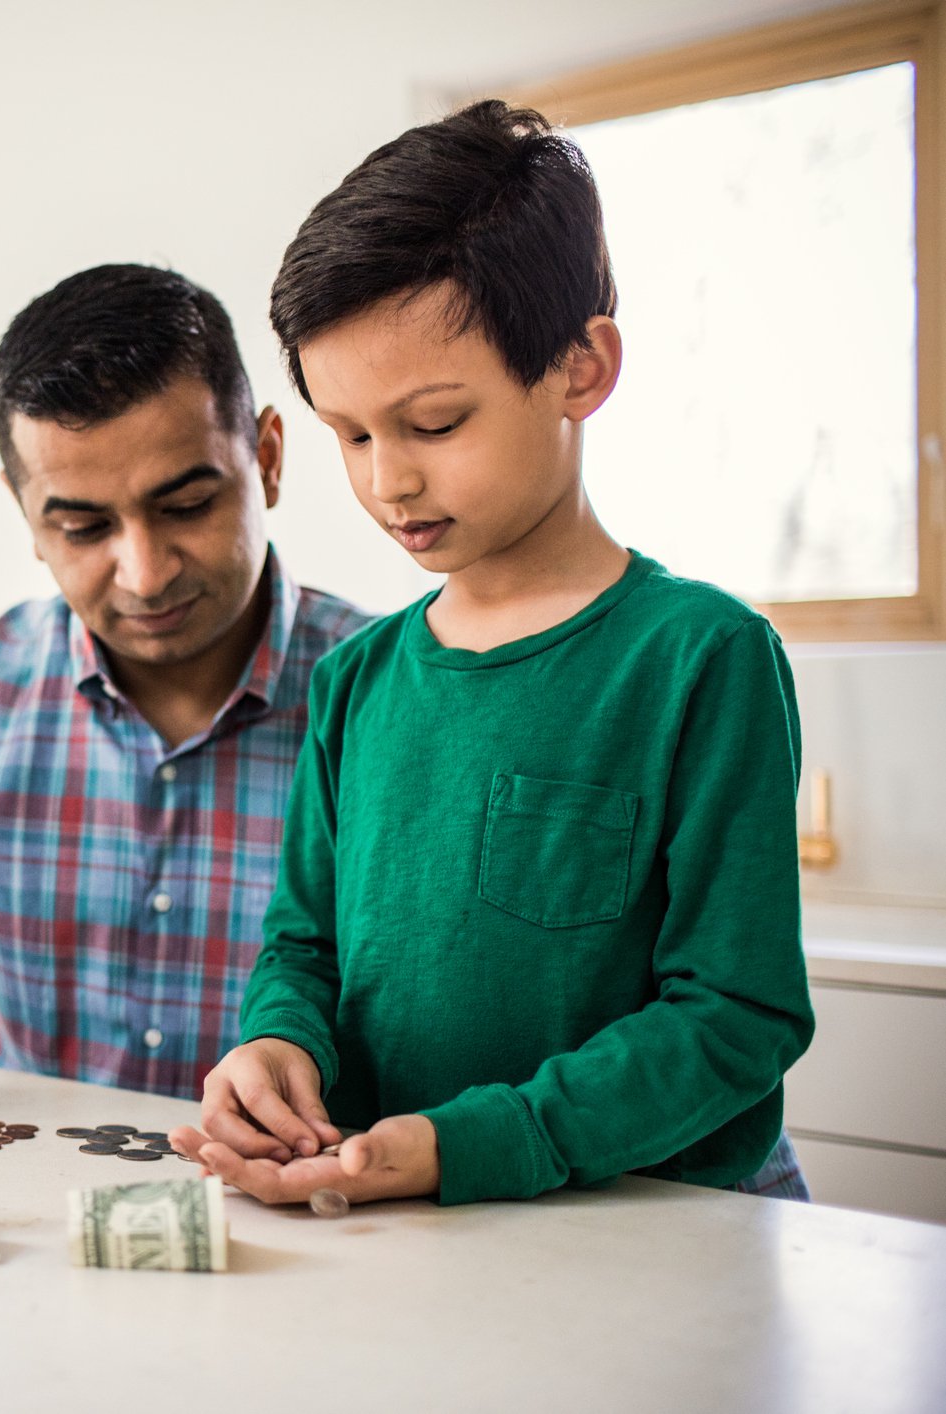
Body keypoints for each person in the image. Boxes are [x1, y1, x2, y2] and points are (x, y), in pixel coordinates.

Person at [173, 101, 814, 1205]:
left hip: (659, 1221)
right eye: (352, 434)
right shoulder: (356, 682)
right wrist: (279, 1046)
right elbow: (304, 948)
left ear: (579, 370)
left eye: (433, 424)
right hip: (404, 1212)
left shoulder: (702, 659)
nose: (388, 482)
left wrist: (478, 1140)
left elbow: (735, 1017)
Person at [0, 264, 369, 1116]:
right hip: (22, 1229)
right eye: (83, 526)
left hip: (325, 1226)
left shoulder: (392, 701)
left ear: (267, 459)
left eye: (187, 504)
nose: (144, 570)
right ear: (24, 514)